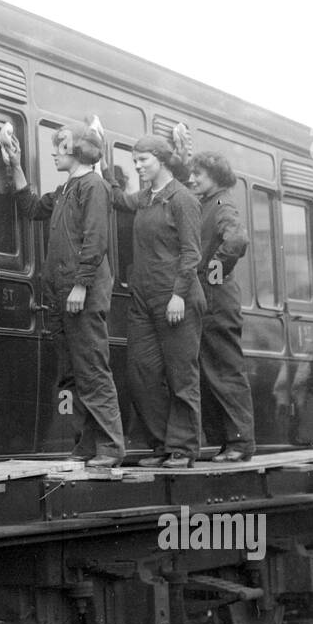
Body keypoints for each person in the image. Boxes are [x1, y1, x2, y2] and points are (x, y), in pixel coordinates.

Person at [0, 125, 124, 467]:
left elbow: (96, 240)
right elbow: (30, 207)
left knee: (93, 369)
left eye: (61, 146)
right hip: (61, 294)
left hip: (80, 294)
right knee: (73, 373)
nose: (55, 152)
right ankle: (86, 445)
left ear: (80, 151)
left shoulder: (93, 187)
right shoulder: (66, 189)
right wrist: (15, 164)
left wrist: (81, 285)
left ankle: (111, 448)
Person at [110, 134, 204, 468]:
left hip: (175, 296)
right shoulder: (147, 198)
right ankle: (163, 444)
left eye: (143, 161)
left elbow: (192, 252)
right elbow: (119, 199)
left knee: (181, 374)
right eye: (134, 161)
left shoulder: (182, 199)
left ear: (161, 160)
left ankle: (182, 449)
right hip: (144, 298)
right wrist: (95, 159)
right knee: (140, 373)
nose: (138, 167)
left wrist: (179, 294)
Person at [189, 153, 255, 461]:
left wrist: (212, 274)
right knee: (211, 372)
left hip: (216, 301)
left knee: (225, 373)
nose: (193, 179)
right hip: (207, 301)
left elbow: (237, 240)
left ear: (215, 176)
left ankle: (240, 444)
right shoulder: (208, 202)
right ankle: (230, 443)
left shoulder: (221, 204)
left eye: (198, 174)